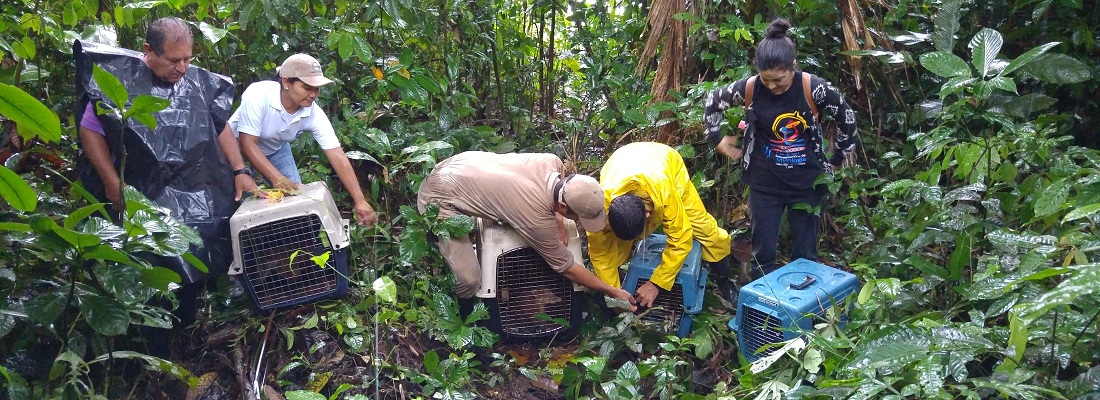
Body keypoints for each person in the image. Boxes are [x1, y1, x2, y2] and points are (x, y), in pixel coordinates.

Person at [75, 17, 258, 327]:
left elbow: (220, 124)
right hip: (139, 186)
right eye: (174, 60)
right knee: (144, 264)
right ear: (149, 51)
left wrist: (240, 169)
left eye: (188, 59)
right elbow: (90, 131)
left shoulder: (196, 81)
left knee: (199, 250)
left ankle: (187, 324)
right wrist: (111, 180)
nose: (182, 67)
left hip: (192, 184)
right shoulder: (116, 77)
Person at [704, 18, 857, 279]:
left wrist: (837, 158)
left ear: (793, 67)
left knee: (805, 255)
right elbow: (714, 100)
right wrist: (717, 139)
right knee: (762, 256)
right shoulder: (751, 88)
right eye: (767, 80)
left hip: (807, 185)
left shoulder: (813, 87)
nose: (772, 86)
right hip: (765, 185)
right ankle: (762, 311)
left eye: (779, 80)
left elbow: (847, 117)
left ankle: (799, 311)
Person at [417, 151, 638, 316]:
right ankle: (464, 319)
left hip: (460, 167)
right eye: (577, 217)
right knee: (469, 279)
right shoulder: (536, 219)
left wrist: (559, 220)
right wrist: (613, 291)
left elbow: (557, 194)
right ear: (563, 206)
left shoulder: (552, 162)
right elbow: (567, 269)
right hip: (440, 197)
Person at [228, 53, 377, 226]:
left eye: (317, 88)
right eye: (307, 87)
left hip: (276, 149)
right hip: (235, 150)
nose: (313, 94)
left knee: (296, 204)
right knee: (240, 209)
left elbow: (337, 155)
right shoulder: (259, 94)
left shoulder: (313, 113)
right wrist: (277, 178)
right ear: (286, 82)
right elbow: (247, 143)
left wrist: (360, 201)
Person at [586, 142, 737, 309]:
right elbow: (601, 255)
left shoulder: (666, 193)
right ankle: (621, 283)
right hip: (622, 160)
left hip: (664, 161)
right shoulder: (599, 208)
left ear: (648, 215)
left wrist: (656, 283)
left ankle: (724, 282)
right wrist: (614, 296)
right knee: (613, 251)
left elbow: (681, 238)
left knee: (706, 230)